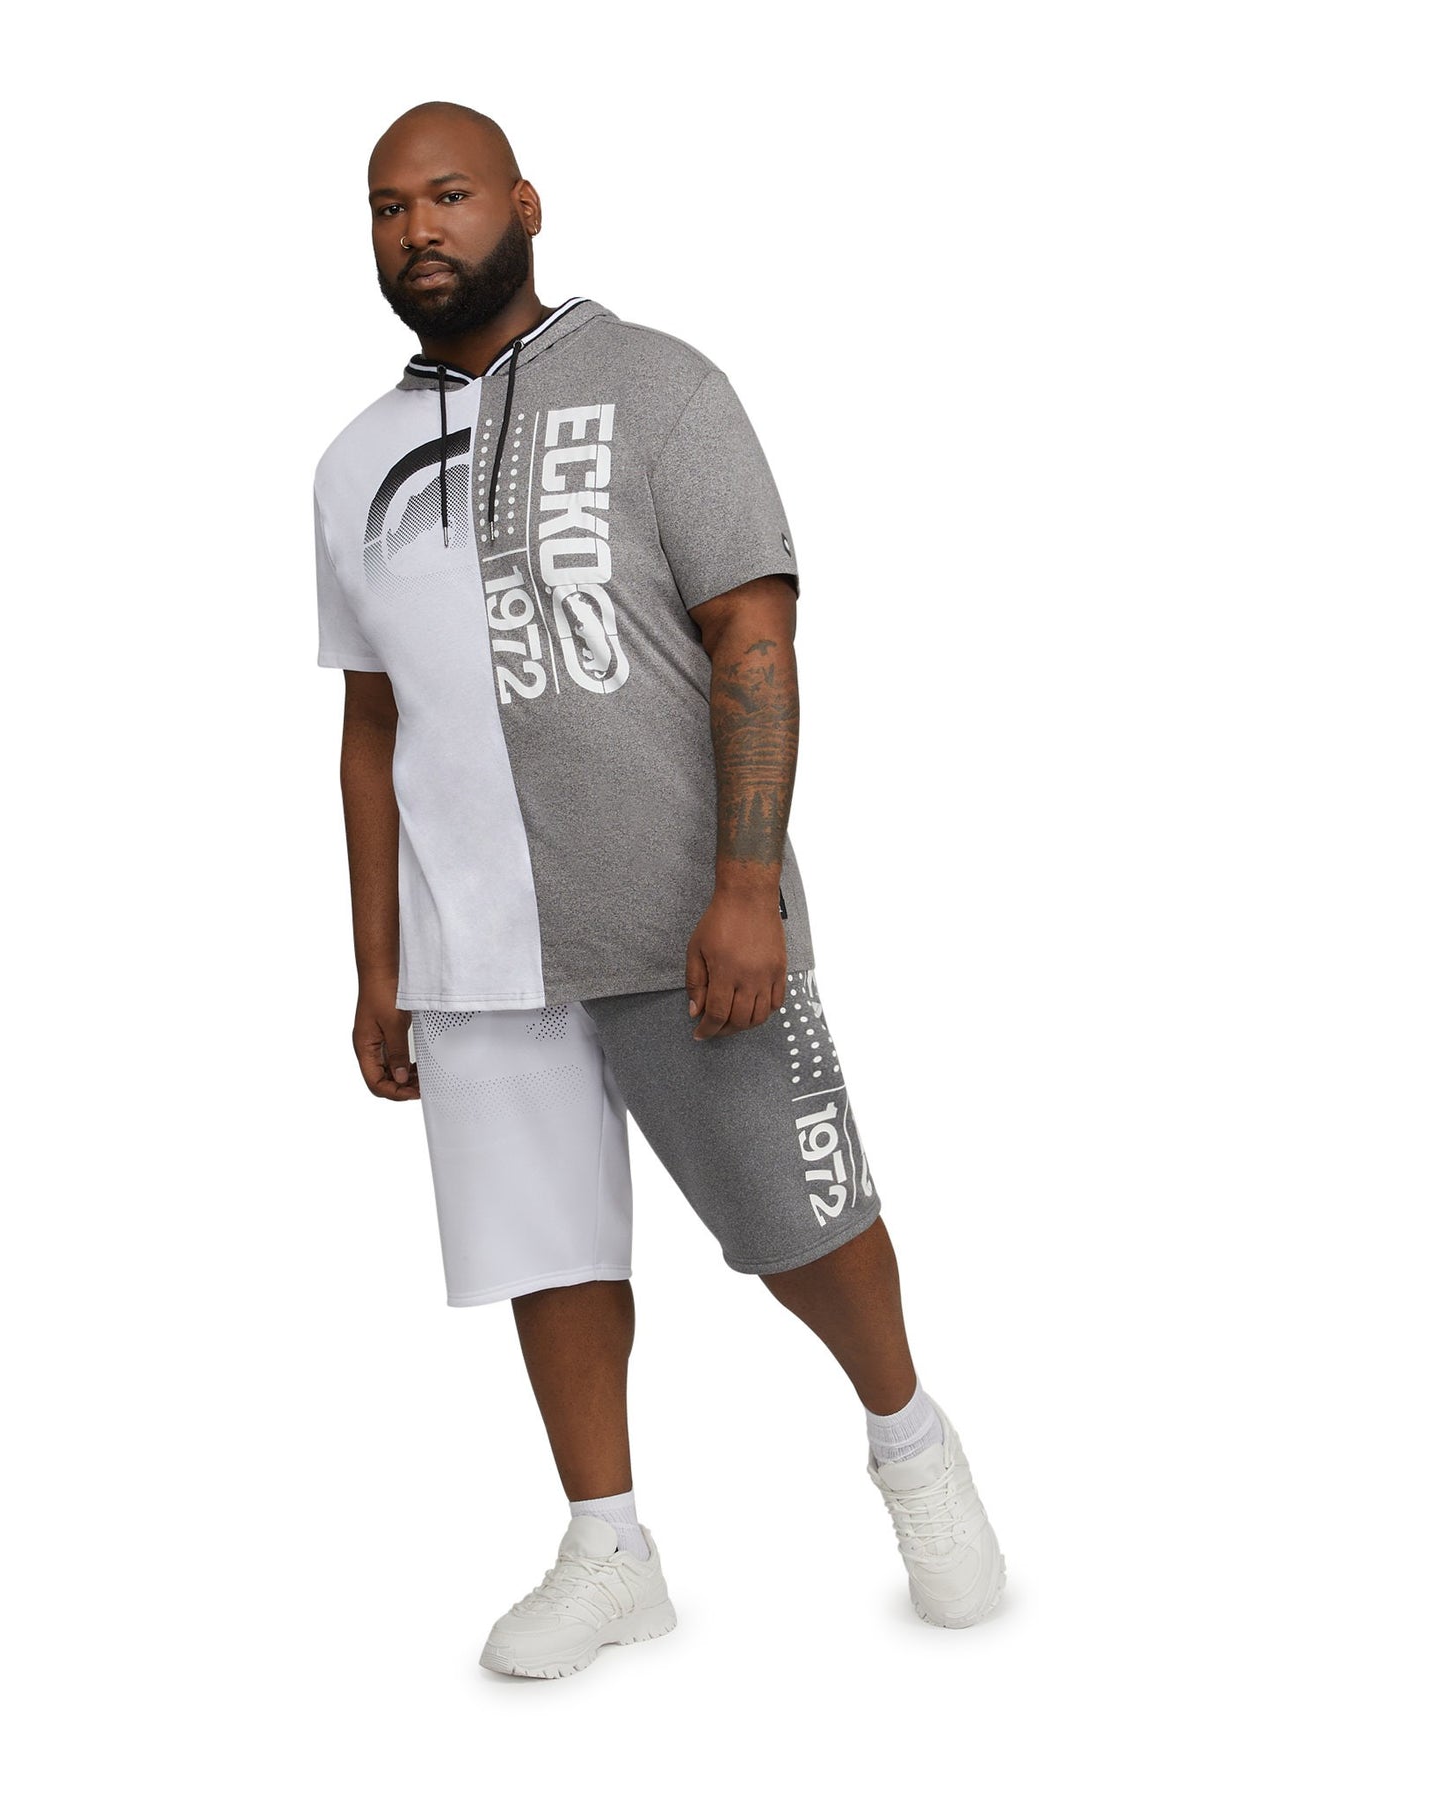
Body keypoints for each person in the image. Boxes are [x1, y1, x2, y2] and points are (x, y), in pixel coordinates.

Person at [313, 99, 1005, 1679]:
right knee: (545, 1248)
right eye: (387, 207)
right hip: (476, 936)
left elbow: (754, 635)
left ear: (523, 203)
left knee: (800, 1221)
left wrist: (747, 884)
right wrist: (376, 962)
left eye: (448, 195)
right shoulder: (352, 466)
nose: (418, 229)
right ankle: (609, 1547)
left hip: (678, 914)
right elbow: (369, 727)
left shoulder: (659, 387)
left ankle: (911, 1443)